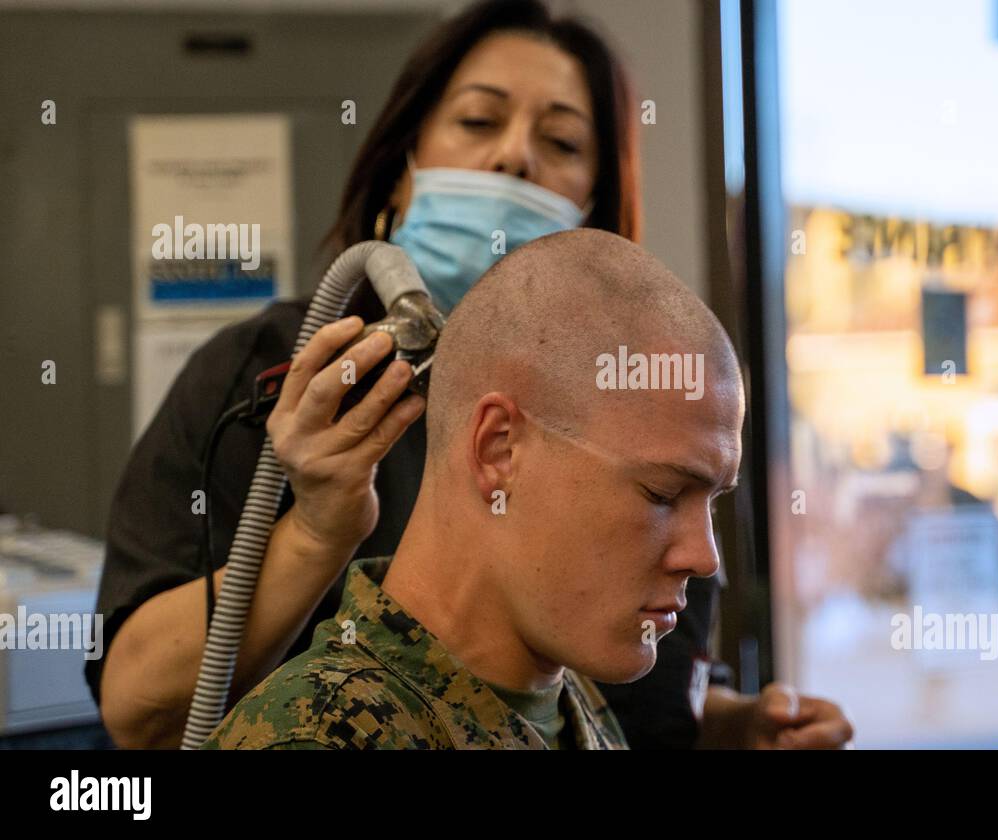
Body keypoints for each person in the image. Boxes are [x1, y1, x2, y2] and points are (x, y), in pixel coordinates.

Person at [93, 0, 853, 750]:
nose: (515, 157)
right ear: (402, 168)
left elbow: (639, 700)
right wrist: (314, 533)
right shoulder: (269, 375)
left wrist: (727, 724)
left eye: (561, 141)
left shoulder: (644, 408)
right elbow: (141, 711)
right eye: (479, 122)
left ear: (593, 205)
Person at [207, 228, 738, 749]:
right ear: (499, 450)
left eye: (712, 500)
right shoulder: (323, 735)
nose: (704, 556)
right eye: (662, 494)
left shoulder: (570, 707)